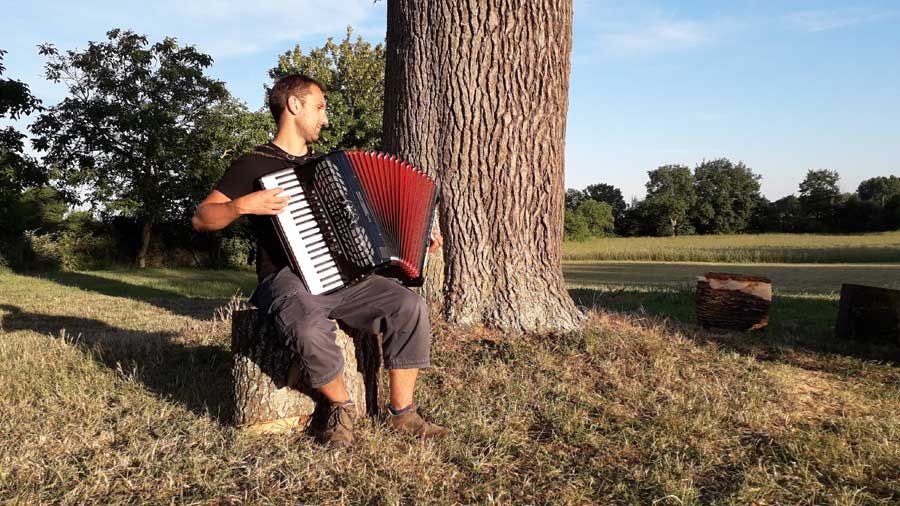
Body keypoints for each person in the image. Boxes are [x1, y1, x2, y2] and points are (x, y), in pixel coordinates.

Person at [191, 74, 449, 447]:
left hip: (344, 277)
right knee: (308, 328)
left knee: (408, 305)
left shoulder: (333, 168)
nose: (325, 118)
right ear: (294, 106)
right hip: (286, 278)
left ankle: (402, 413)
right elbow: (202, 218)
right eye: (320, 107)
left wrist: (419, 238)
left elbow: (372, 227)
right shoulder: (253, 164)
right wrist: (241, 205)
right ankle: (340, 405)